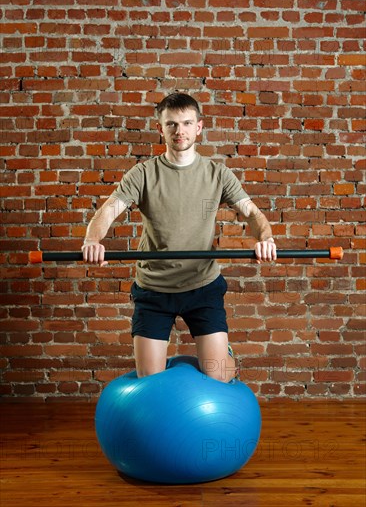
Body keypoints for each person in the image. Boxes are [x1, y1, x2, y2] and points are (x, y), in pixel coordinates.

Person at [82, 92, 276, 382]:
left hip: (202, 285)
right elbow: (109, 211)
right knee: (149, 378)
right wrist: (92, 240)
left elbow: (252, 213)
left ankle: (224, 353)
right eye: (171, 124)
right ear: (160, 128)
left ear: (199, 126)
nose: (179, 131)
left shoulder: (218, 174)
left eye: (186, 123)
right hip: (154, 288)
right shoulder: (143, 174)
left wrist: (266, 238)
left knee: (220, 375)